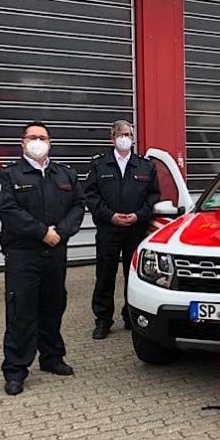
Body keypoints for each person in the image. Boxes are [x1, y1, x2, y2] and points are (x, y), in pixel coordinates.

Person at [0, 122, 84, 396]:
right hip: (23, 253)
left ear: (50, 142)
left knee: (53, 305)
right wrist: (42, 232)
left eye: (42, 137)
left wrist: (61, 233)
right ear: (22, 143)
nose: (37, 141)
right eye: (32, 137)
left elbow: (78, 206)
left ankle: (52, 357)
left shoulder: (65, 173)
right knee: (21, 310)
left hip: (56, 252)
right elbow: (7, 209)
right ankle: (15, 370)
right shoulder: (9, 174)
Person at [84, 120, 160, 340]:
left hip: (136, 229)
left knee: (133, 275)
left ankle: (131, 316)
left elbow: (154, 196)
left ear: (133, 138)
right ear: (112, 138)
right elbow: (91, 196)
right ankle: (103, 321)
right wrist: (110, 216)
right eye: (121, 134)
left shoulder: (145, 165)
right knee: (105, 276)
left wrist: (139, 215)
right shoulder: (99, 165)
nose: (125, 138)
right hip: (109, 229)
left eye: (128, 134)